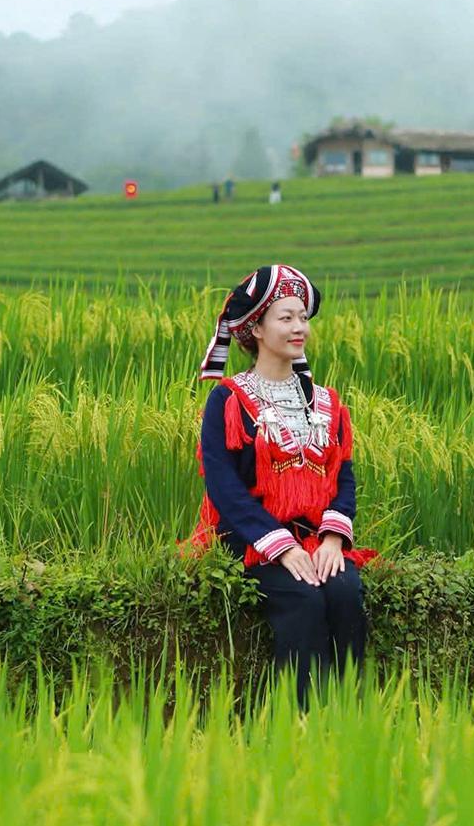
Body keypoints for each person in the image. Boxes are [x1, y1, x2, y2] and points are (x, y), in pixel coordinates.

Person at [183, 264, 377, 708]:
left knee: (345, 592)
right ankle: (296, 717)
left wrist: (332, 539)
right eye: (286, 318)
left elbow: (342, 476)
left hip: (315, 536)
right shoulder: (229, 399)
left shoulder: (325, 401)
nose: (299, 328)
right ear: (256, 327)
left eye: (303, 318)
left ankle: (349, 711)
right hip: (253, 539)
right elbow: (223, 485)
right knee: (303, 599)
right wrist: (283, 548)